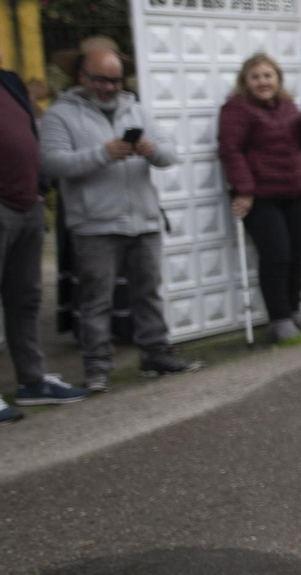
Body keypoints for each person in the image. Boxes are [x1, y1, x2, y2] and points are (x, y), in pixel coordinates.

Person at [38, 40, 201, 392]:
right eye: (101, 80)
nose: (110, 88)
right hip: (94, 225)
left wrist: (151, 149)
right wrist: (103, 153)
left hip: (142, 218)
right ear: (81, 76)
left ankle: (155, 354)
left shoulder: (137, 110)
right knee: (97, 300)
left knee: (149, 293)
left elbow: (172, 154)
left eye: (115, 81)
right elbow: (51, 163)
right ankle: (97, 368)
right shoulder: (59, 115)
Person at [0, 65, 90, 423]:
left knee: (25, 299)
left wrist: (38, 190)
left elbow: (28, 134)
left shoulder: (8, 80)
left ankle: (33, 381)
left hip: (26, 205)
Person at [217, 53, 301, 343]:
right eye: (255, 77)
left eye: (268, 76)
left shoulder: (288, 106)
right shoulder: (236, 110)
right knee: (276, 256)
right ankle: (279, 320)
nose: (262, 82)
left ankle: (293, 311)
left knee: (296, 254)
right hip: (261, 197)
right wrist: (245, 191)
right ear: (246, 82)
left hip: (295, 191)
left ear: (277, 79)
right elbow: (231, 151)